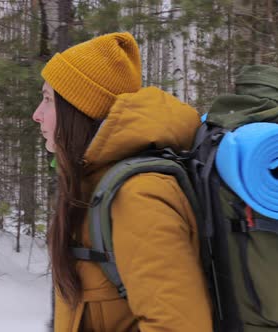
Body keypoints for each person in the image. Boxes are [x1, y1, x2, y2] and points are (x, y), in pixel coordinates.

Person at [32, 32, 212, 332]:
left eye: (48, 100)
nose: (37, 114)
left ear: (80, 109)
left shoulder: (139, 195)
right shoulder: (94, 185)